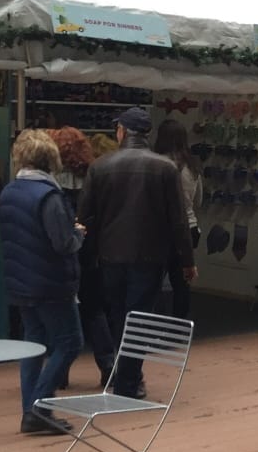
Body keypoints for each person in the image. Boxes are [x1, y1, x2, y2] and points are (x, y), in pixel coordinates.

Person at [78, 107, 195, 399]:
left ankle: (126, 376)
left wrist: (87, 255)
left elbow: (84, 217)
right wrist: (186, 261)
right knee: (140, 317)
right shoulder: (165, 168)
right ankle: (128, 381)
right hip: (150, 255)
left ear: (122, 131)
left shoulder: (100, 166)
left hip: (109, 255)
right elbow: (178, 220)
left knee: (118, 316)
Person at [0, 130, 84, 435]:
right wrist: (79, 234)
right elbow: (62, 242)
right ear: (51, 158)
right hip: (50, 282)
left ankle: (29, 411)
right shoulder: (49, 195)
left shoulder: (9, 192)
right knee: (69, 343)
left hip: (20, 280)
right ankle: (38, 406)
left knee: (32, 345)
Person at [49, 126, 117, 391]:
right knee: (94, 310)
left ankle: (60, 372)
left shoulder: (51, 180)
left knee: (64, 311)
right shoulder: (96, 175)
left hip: (62, 251)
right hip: (91, 251)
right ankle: (108, 366)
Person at [153, 118, 201, 321]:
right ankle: (180, 327)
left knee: (154, 281)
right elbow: (198, 200)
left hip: (162, 230)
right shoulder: (193, 166)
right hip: (190, 227)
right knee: (182, 282)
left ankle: (150, 325)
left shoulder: (157, 164)